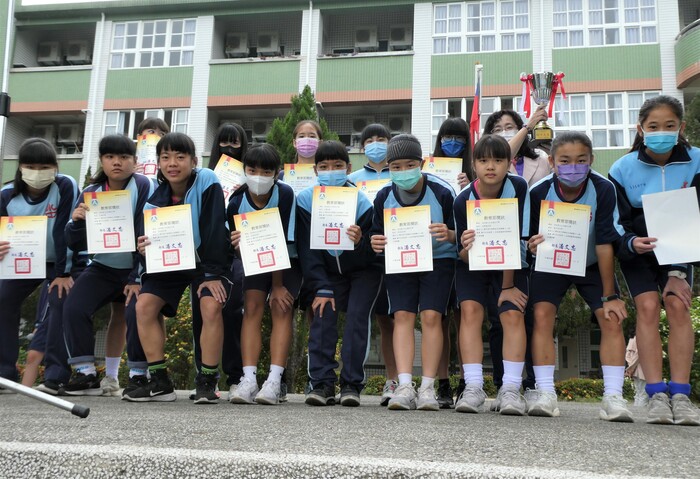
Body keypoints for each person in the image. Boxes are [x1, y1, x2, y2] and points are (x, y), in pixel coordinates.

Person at [608, 95, 700, 426]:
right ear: (641, 129)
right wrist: (631, 243)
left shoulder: (697, 161)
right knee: (647, 307)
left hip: (681, 249)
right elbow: (616, 222)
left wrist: (679, 269)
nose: (661, 132)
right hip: (639, 250)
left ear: (681, 128)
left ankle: (681, 395)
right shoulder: (622, 167)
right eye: (653, 126)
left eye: (670, 126)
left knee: (677, 305)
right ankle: (656, 393)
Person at [528, 131, 632, 422]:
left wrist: (610, 295)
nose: (573, 166)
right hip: (551, 263)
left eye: (580, 160)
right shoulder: (538, 192)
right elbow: (529, 239)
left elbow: (605, 241)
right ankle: (546, 392)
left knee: (611, 317)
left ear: (591, 160)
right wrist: (532, 245)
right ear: (552, 161)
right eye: (565, 160)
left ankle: (613, 396)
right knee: (542, 316)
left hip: (591, 263)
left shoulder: (603, 188)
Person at [123, 132, 229, 404]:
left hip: (205, 262)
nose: (173, 163)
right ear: (158, 162)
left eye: (180, 157)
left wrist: (213, 275)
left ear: (194, 161)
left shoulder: (207, 180)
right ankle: (160, 381)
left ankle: (207, 381)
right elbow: (146, 247)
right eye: (166, 157)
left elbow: (215, 228)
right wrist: (144, 249)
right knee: (144, 306)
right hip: (171, 264)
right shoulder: (153, 201)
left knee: (211, 305)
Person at [60, 134, 153, 396]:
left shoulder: (144, 185)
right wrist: (77, 222)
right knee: (74, 306)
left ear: (135, 161)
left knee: (136, 312)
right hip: (102, 267)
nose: (117, 163)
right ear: (101, 160)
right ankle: (84, 371)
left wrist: (136, 277)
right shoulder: (90, 193)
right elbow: (73, 241)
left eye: (124, 157)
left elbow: (146, 229)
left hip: (136, 268)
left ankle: (138, 375)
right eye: (110, 157)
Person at [371, 134, 456, 411]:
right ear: (388, 167)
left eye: (410, 165)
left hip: (438, 261)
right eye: (396, 167)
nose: (403, 172)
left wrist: (449, 234)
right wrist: (376, 242)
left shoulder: (443, 191)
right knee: (402, 316)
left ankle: (428, 387)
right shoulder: (384, 196)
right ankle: (405, 385)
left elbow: (461, 233)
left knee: (431, 316)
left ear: (422, 163)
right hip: (400, 263)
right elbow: (376, 235)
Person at [297, 140, 380, 407]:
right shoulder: (305, 200)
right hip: (327, 273)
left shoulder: (363, 201)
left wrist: (358, 242)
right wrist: (320, 285)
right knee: (323, 310)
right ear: (315, 171)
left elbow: (372, 252)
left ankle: (351, 384)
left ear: (348, 168)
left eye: (337, 166)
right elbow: (307, 251)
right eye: (324, 166)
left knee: (357, 317)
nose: (330, 171)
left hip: (363, 271)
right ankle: (321, 383)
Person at [453, 134, 530, 415]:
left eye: (498, 160)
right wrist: (466, 246)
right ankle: (473, 387)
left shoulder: (518, 187)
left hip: (510, 264)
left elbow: (516, 236)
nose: (491, 166)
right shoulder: (462, 199)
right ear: (473, 165)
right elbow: (460, 254)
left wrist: (508, 286)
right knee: (470, 312)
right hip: (473, 265)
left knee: (512, 313)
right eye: (483, 160)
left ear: (509, 163)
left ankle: (510, 389)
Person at [0, 138, 78, 393]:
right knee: (3, 298)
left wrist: (63, 273)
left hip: (58, 263)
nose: (38, 172)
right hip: (21, 263)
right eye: (31, 166)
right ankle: (5, 372)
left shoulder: (64, 185)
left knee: (60, 299)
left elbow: (64, 228)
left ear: (55, 167)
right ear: (21, 168)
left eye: (45, 166)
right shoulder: (6, 194)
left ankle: (56, 375)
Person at [481, 107, 549, 399]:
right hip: (496, 245)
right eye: (498, 128)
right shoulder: (493, 165)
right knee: (500, 317)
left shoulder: (542, 160)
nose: (504, 131)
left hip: (538, 244)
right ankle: (504, 382)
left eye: (511, 126)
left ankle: (534, 383)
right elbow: (502, 154)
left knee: (533, 315)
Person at [227, 144, 300, 405]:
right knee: (252, 308)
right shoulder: (236, 201)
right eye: (252, 169)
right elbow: (236, 250)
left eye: (266, 171)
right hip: (254, 262)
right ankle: (248, 379)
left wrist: (278, 285)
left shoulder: (285, 194)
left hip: (288, 261)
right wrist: (235, 245)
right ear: (244, 171)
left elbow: (282, 241)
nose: (258, 176)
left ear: (277, 173)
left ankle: (275, 380)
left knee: (281, 308)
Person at [191, 122, 247, 402]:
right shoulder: (202, 177)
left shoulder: (248, 178)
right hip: (204, 256)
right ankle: (204, 377)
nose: (229, 147)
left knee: (232, 313)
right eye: (223, 142)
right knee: (203, 313)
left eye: (235, 143)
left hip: (238, 254)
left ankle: (236, 377)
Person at [347, 123, 396, 406]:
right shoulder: (352, 179)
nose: (376, 144)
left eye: (382, 139)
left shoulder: (402, 172)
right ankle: (351, 378)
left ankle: (393, 380)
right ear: (362, 146)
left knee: (393, 320)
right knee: (370, 318)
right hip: (367, 258)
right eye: (370, 140)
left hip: (399, 254)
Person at [432, 118, 471, 407]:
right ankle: (442, 383)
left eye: (458, 137)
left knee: (465, 318)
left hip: (468, 253)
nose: (452, 142)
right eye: (447, 136)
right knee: (440, 320)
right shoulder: (425, 169)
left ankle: (467, 382)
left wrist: (470, 186)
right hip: (439, 254)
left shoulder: (476, 169)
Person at [626, 333, 648, 407]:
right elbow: (639, 355)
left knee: (638, 393)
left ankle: (636, 410)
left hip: (634, 370)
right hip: (642, 369)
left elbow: (627, 356)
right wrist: (632, 367)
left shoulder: (631, 340)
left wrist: (630, 367)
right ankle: (640, 412)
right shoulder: (643, 338)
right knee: (643, 393)